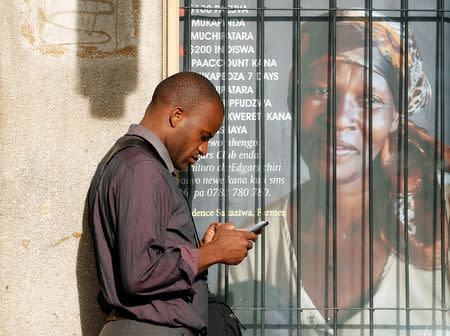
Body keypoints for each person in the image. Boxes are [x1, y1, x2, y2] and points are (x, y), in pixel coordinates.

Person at [229, 11, 450, 335]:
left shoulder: (441, 215)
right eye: (322, 91)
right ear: (293, 97)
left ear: (396, 118)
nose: (338, 118)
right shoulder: (252, 249)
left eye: (369, 99)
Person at [87, 72, 258, 336]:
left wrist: (202, 249)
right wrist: (215, 252)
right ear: (177, 116)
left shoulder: (135, 164)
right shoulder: (141, 168)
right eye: (204, 135)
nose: (205, 150)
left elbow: (148, 260)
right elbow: (140, 273)